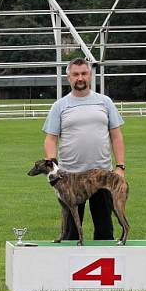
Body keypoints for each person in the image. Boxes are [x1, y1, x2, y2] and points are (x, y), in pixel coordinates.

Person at [42, 57, 126, 241]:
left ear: (90, 75)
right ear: (68, 78)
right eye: (76, 74)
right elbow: (50, 139)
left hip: (102, 177)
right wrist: (53, 167)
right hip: (70, 177)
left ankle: (105, 267)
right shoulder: (59, 106)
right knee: (71, 234)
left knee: (104, 231)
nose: (80, 78)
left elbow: (116, 135)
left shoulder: (105, 102)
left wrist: (120, 167)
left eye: (84, 73)